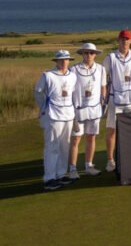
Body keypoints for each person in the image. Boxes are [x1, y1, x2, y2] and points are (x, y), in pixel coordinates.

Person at [34, 50, 78, 190]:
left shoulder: (72, 76)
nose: (64, 62)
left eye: (66, 59)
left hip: (68, 114)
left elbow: (73, 94)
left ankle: (60, 174)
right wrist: (44, 107)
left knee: (65, 146)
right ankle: (49, 178)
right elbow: (38, 92)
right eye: (61, 60)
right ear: (56, 61)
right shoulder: (47, 75)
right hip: (53, 114)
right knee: (52, 146)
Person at [102, 29, 131, 172]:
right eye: (122, 39)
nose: (125, 41)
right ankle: (110, 160)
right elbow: (103, 78)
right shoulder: (110, 57)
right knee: (112, 130)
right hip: (114, 99)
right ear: (118, 40)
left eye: (127, 39)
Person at [69, 44, 105, 178]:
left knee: (91, 137)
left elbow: (103, 87)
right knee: (75, 140)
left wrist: (103, 100)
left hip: (95, 110)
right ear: (82, 54)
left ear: (95, 54)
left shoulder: (101, 69)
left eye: (91, 53)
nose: (89, 55)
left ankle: (89, 165)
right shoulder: (74, 69)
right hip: (78, 110)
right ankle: (72, 169)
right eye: (86, 53)